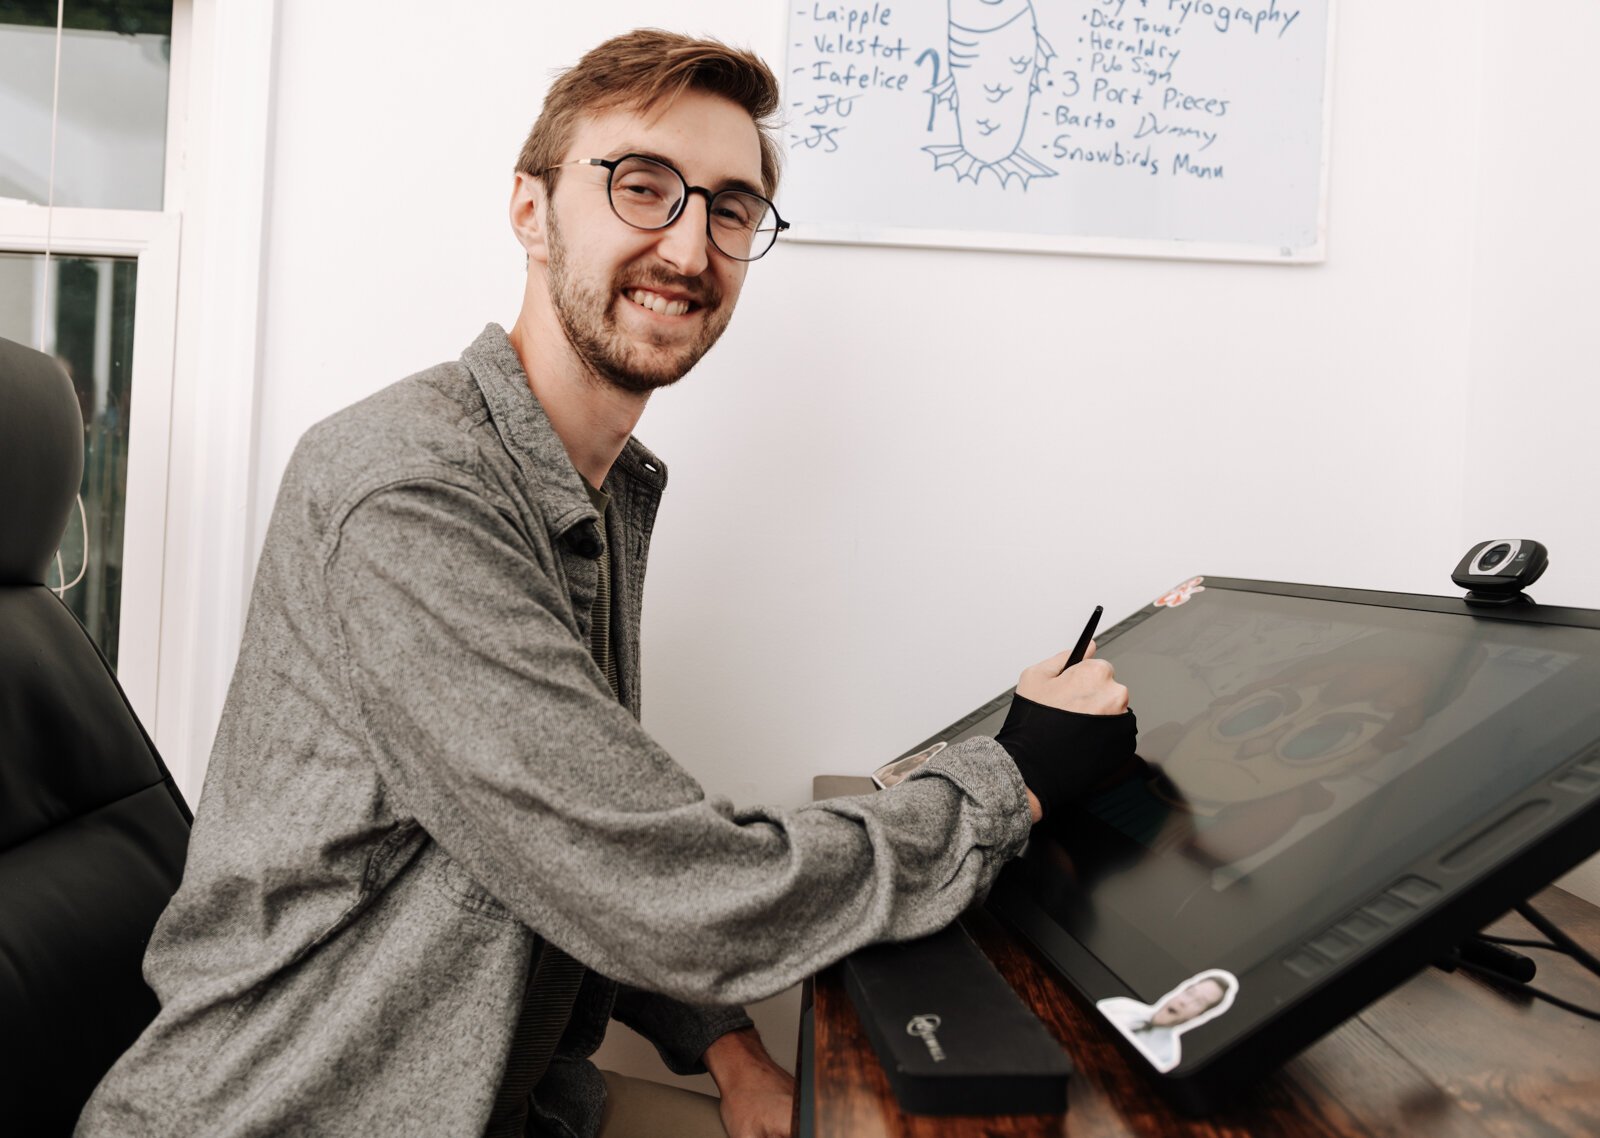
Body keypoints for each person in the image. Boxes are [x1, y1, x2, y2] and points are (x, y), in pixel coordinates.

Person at [76, 29, 1135, 1138]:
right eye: (642, 186)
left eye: (729, 209)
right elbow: (649, 880)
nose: (689, 247)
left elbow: (580, 845)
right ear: (531, 209)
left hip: (512, 1102)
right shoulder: (410, 491)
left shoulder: (591, 486)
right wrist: (1009, 781)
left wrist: (726, 1046)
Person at [1096, 971, 1237, 1073]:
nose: (1184, 1002)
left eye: (1198, 1002)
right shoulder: (1120, 1007)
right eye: (1190, 992)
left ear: (1199, 1015)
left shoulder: (1165, 1056)